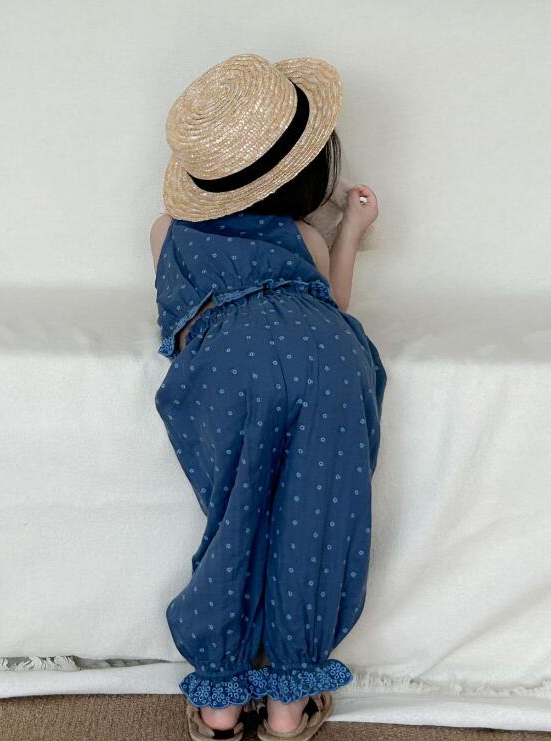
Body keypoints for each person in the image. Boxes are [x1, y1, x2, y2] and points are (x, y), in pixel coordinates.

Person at [151, 53, 387, 741]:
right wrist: (350, 232)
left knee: (239, 518)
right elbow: (335, 301)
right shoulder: (301, 233)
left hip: (234, 367)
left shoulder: (167, 232)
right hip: (326, 356)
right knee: (318, 517)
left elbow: (177, 321)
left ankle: (221, 705)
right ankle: (288, 709)